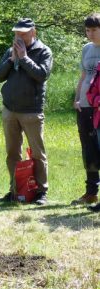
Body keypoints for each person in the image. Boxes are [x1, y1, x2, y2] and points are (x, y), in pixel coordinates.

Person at [0, 18, 52, 205]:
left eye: (23, 33)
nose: (19, 36)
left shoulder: (43, 51)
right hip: (10, 110)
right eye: (16, 32)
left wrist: (25, 58)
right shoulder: (10, 52)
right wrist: (11, 60)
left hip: (31, 111)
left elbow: (42, 75)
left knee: (37, 153)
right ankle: (16, 190)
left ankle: (41, 192)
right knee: (12, 153)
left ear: (33, 32)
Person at [72, 13, 100, 207]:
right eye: (87, 30)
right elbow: (83, 76)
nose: (90, 34)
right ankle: (91, 192)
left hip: (98, 107)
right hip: (84, 105)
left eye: (94, 30)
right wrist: (76, 99)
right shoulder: (86, 49)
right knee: (88, 150)